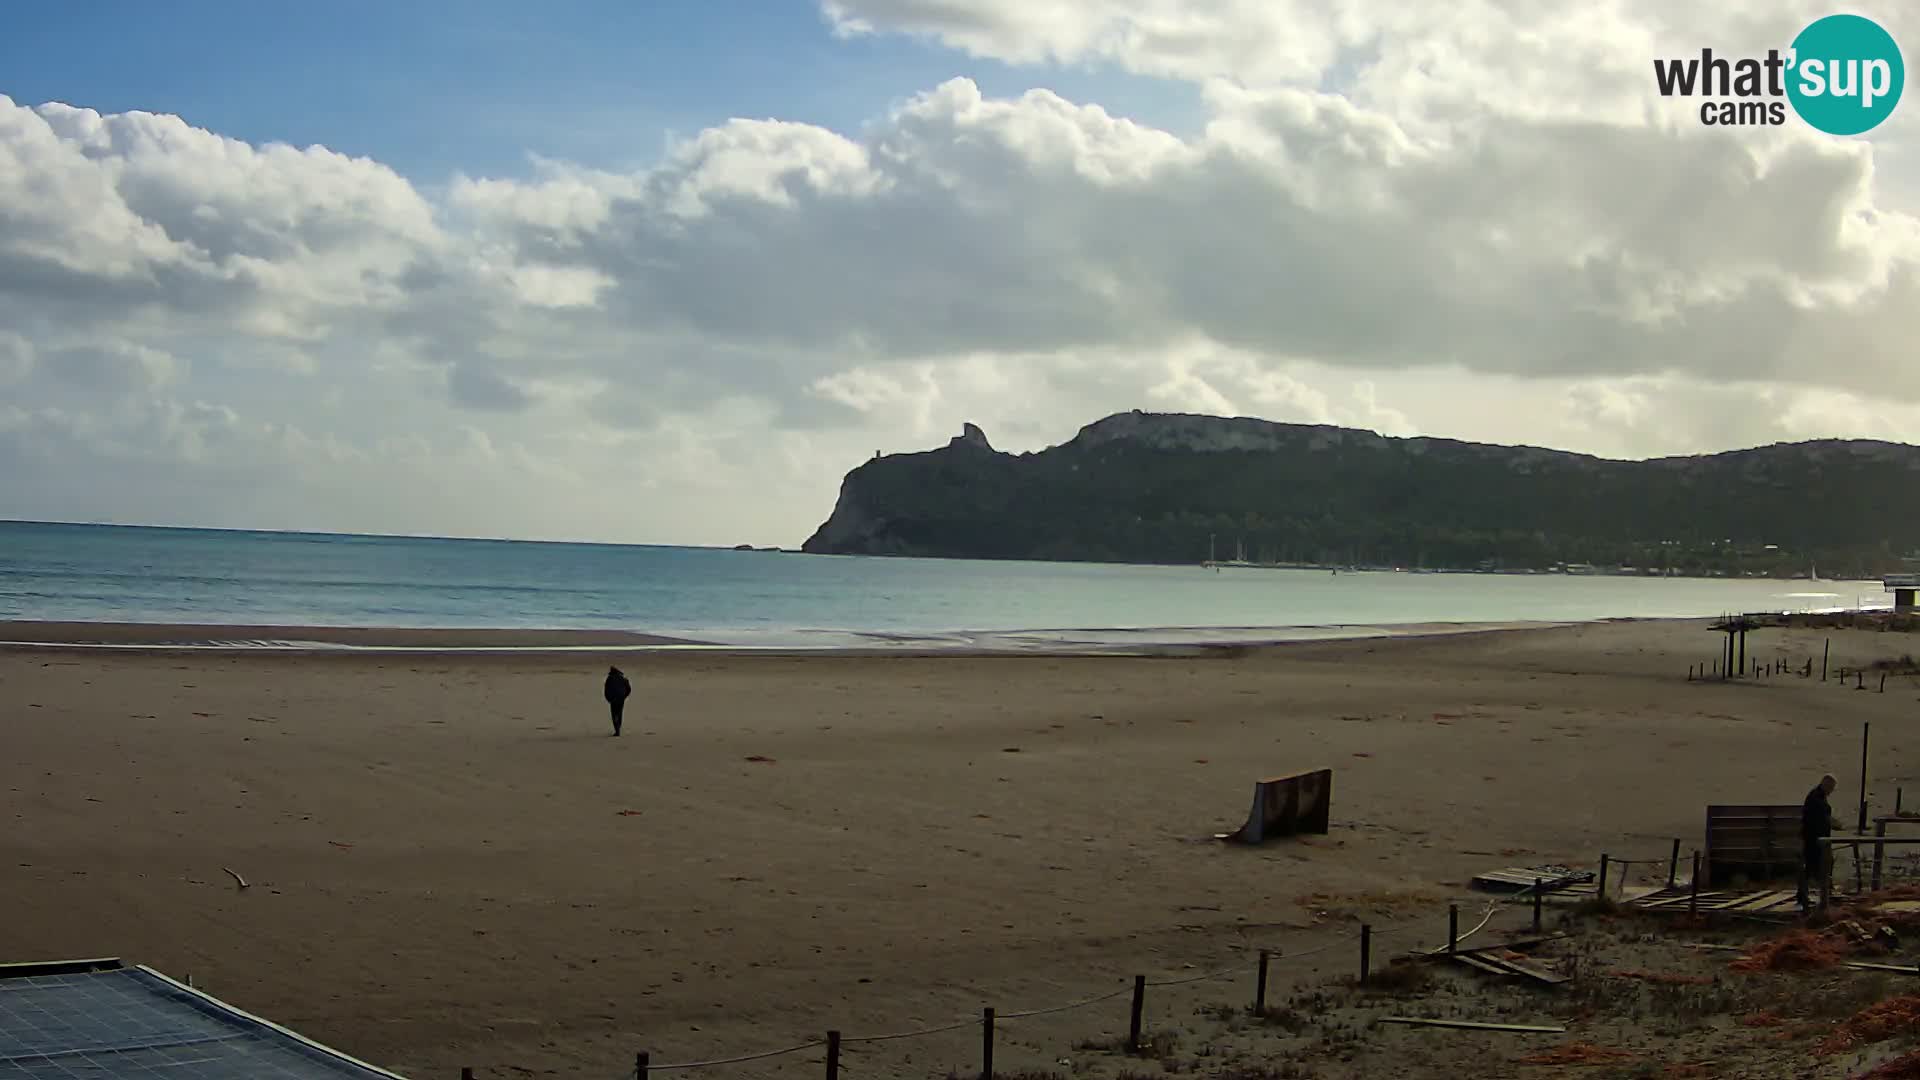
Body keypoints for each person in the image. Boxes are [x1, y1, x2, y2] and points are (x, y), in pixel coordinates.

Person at [1797, 773, 1838, 909]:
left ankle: (1815, 894)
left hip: (1817, 838)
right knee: (1814, 866)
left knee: (1818, 865)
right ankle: (1810, 895)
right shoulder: (1816, 797)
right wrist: (1831, 822)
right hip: (1814, 839)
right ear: (1825, 785)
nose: (1832, 791)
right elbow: (1819, 817)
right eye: (1831, 788)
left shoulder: (1817, 796)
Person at [603, 666, 632, 736]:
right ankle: (618, 728)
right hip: (621, 698)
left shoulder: (609, 679)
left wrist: (608, 699)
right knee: (619, 713)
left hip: (613, 699)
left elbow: (606, 690)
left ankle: (617, 730)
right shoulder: (623, 678)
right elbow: (628, 688)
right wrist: (624, 696)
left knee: (614, 714)